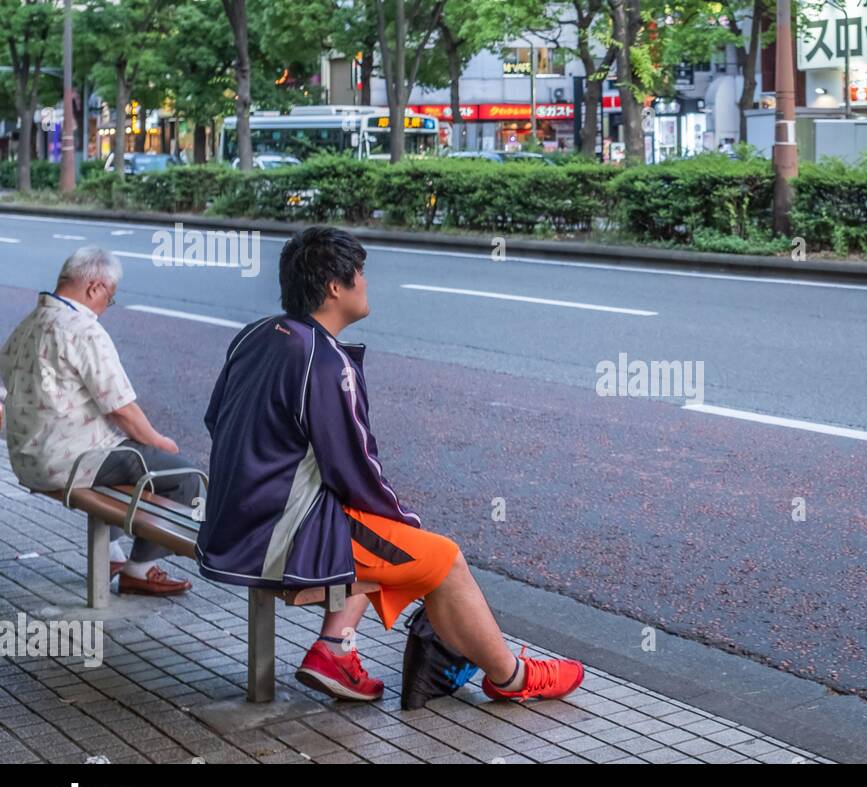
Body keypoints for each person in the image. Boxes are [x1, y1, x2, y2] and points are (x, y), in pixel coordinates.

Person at [198, 225, 584, 703]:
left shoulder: (255, 335)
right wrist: (409, 526)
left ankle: (335, 648)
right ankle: (514, 678)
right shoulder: (324, 361)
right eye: (359, 274)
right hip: (274, 539)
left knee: (369, 529)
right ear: (335, 287)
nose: (365, 283)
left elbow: (216, 420)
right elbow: (356, 469)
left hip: (226, 526)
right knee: (441, 558)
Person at [0, 247, 194, 595]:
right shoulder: (82, 329)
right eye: (111, 297)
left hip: (28, 459)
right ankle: (139, 568)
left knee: (124, 466)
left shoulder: (28, 324)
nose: (107, 306)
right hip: (69, 460)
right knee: (181, 476)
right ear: (95, 288)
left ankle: (112, 553)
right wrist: (158, 441)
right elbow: (121, 409)